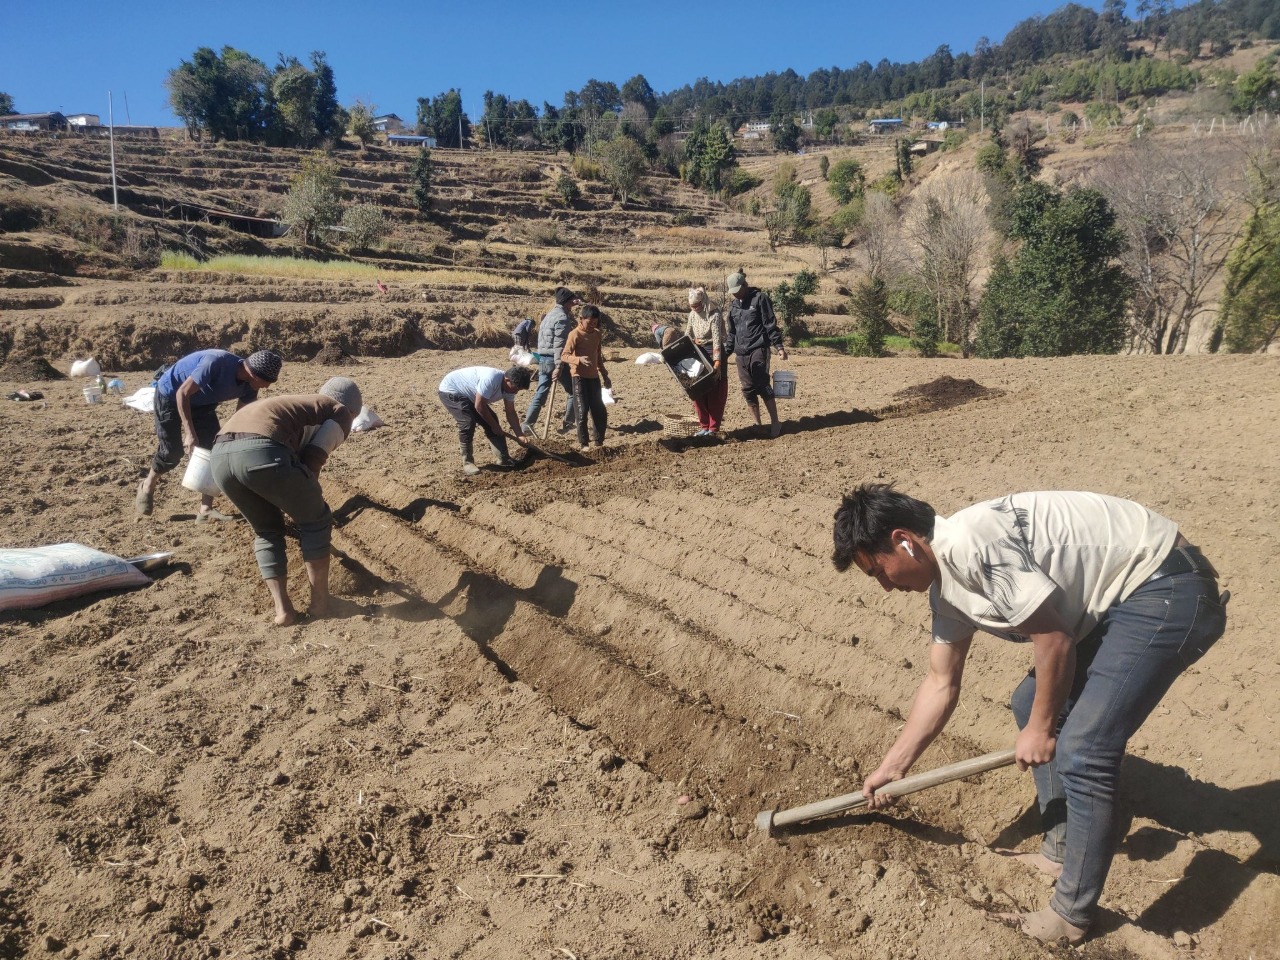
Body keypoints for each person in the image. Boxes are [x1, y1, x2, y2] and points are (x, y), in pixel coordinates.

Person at [831, 485, 1227, 945]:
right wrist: (893, 767)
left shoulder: (973, 545)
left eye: (878, 571)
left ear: (904, 541)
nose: (884, 586)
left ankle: (1071, 915)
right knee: (1029, 702)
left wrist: (1041, 729)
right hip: (1124, 597)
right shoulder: (948, 585)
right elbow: (941, 682)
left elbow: (1054, 639)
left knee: (1084, 750)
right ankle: (1061, 849)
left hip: (1167, 587)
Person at [209, 377, 363, 626]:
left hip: (219, 459)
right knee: (316, 521)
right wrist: (305, 506)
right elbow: (313, 459)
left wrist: (292, 497)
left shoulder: (300, 404)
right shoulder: (341, 412)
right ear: (353, 410)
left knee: (267, 530)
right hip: (261, 449)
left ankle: (283, 611)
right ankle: (321, 604)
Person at [136, 348, 283, 521]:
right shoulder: (215, 363)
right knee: (171, 452)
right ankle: (148, 484)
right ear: (254, 374)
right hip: (171, 395)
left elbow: (240, 416)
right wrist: (190, 433)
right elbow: (182, 393)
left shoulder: (250, 386)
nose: (267, 387)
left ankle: (205, 509)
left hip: (203, 403)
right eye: (266, 382)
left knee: (214, 451)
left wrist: (231, 440)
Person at [724, 270, 787, 438]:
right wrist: (725, 354)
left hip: (758, 348)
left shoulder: (760, 299)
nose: (735, 294)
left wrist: (779, 347)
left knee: (762, 384)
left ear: (744, 285)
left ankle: (775, 422)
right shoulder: (734, 306)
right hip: (741, 353)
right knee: (747, 389)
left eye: (737, 290)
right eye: (733, 292)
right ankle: (758, 425)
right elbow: (732, 333)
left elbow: (770, 324)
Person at [438, 365, 532, 475]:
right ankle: (468, 462)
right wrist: (494, 426)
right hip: (451, 390)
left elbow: (510, 411)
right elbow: (479, 406)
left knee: (492, 419)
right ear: (507, 380)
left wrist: (519, 434)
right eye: (515, 388)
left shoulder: (510, 388)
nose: (516, 392)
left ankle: (503, 459)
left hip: (471, 395)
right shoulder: (491, 379)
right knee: (467, 422)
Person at [522, 287, 579, 436]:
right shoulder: (562, 318)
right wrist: (559, 366)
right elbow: (559, 344)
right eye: (571, 301)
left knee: (541, 392)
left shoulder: (548, 316)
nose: (573, 304)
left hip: (543, 358)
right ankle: (568, 423)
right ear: (566, 302)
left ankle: (527, 424)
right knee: (573, 391)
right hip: (554, 359)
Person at [559, 304, 613, 452]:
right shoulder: (574, 334)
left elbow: (598, 357)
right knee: (582, 411)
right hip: (579, 377)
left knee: (599, 410)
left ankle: (598, 442)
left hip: (594, 377)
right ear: (581, 319)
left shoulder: (597, 334)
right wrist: (578, 360)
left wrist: (605, 375)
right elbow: (564, 356)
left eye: (595, 323)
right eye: (589, 323)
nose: (592, 325)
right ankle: (584, 444)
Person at [684, 287, 728, 437]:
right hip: (699, 353)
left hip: (713, 352)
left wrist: (717, 361)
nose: (695, 308)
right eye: (692, 306)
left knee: (715, 391)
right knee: (698, 390)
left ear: (703, 302)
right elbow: (687, 334)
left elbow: (717, 339)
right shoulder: (692, 315)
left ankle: (713, 428)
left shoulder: (714, 315)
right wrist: (690, 342)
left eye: (697, 305)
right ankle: (704, 426)